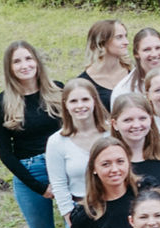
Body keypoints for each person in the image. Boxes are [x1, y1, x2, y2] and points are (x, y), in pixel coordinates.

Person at [0, 41, 75, 228]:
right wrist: (40, 187)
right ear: (10, 68)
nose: (24, 65)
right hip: (31, 174)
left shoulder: (59, 91)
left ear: (37, 61)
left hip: (63, 167)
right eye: (17, 61)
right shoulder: (2, 103)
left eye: (28, 58)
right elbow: (6, 154)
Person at [48, 78, 112, 218]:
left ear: (94, 100)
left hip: (114, 205)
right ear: (65, 105)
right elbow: (59, 185)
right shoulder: (56, 142)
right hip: (80, 209)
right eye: (73, 101)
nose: (80, 105)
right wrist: (70, 219)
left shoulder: (112, 133)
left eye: (85, 99)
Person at [110, 93, 160, 189]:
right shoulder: (108, 155)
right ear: (115, 124)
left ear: (151, 119)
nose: (136, 125)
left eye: (142, 118)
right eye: (128, 120)